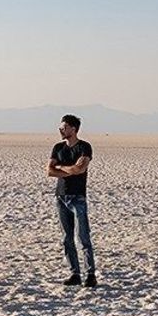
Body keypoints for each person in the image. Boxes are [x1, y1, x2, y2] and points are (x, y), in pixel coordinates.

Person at [46, 114, 96, 287]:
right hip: (61, 196)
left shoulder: (84, 147)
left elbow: (80, 169)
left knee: (83, 237)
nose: (61, 130)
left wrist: (61, 167)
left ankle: (90, 274)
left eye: (64, 127)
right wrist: (68, 169)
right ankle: (75, 273)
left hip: (78, 197)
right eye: (61, 127)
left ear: (73, 129)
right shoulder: (58, 147)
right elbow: (50, 171)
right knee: (67, 238)